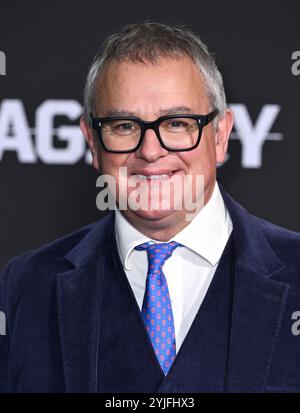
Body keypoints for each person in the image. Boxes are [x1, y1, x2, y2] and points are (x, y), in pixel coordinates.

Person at [1, 22, 300, 393]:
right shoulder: (23, 288)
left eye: (177, 123)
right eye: (124, 126)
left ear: (221, 136)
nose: (151, 151)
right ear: (93, 142)